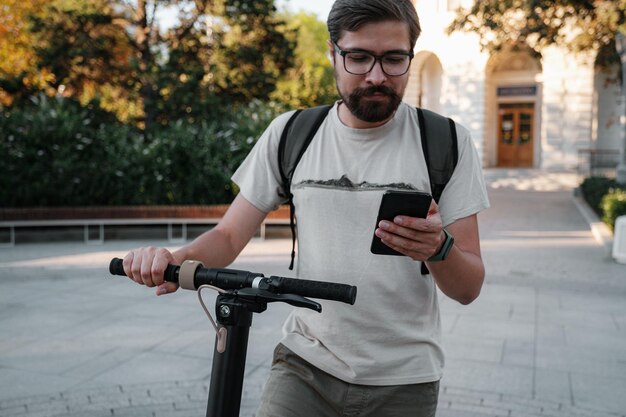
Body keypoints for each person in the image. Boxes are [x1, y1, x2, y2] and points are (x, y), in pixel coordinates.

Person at [122, 0, 490, 415]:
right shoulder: (291, 133)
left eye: (393, 59)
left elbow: (468, 287)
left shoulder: (445, 142)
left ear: (410, 55)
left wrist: (438, 249)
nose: (376, 75)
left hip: (405, 379)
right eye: (358, 57)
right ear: (332, 52)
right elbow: (227, 236)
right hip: (305, 365)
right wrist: (175, 259)